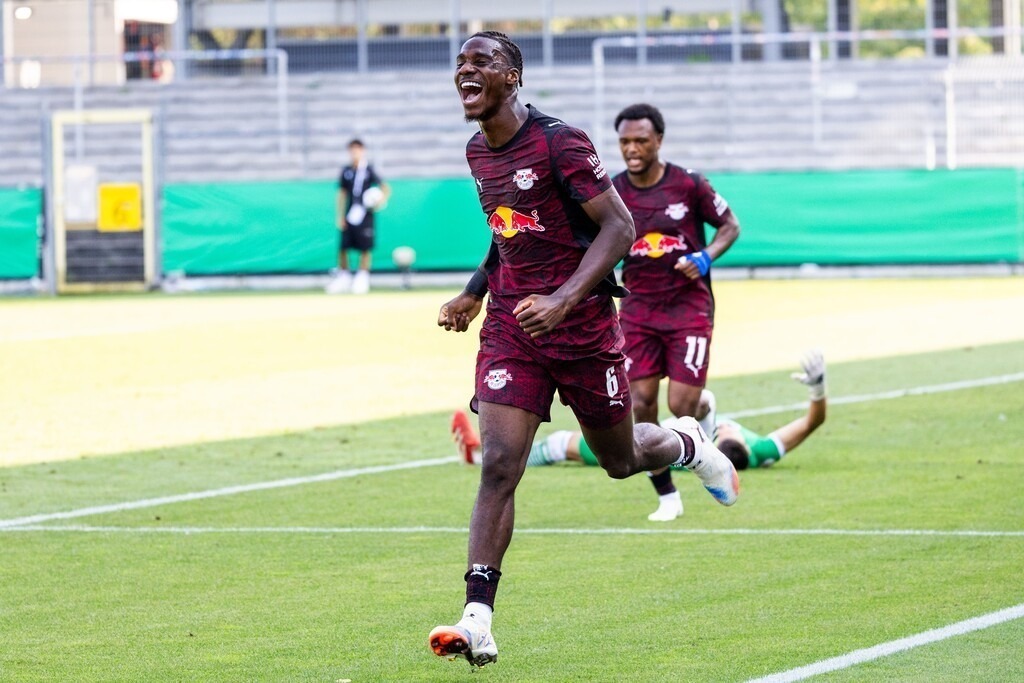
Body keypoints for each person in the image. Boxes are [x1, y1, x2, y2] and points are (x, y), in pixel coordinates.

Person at [430, 31, 739, 669]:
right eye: (460, 62)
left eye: (481, 61)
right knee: (499, 464)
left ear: (512, 76)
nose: (465, 70)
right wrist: (472, 294)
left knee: (621, 461)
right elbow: (507, 236)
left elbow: (620, 227)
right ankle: (477, 619)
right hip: (514, 328)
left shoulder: (560, 142)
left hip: (583, 328)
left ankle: (686, 444)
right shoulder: (476, 151)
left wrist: (565, 299)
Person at [612, 103, 741, 522]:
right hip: (637, 308)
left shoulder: (689, 184)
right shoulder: (611, 191)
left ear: (659, 141)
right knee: (641, 402)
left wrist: (705, 257)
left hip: (688, 308)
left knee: (681, 405)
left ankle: (703, 409)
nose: (632, 149)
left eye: (641, 141)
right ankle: (667, 495)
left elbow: (730, 226)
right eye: (625, 142)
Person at [452, 350, 828, 481]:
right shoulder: (756, 448)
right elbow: (811, 422)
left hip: (645, 442)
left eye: (721, 435)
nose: (728, 432)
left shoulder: (742, 448)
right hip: (658, 428)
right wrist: (817, 389)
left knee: (560, 445)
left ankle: (478, 456)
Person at [326, 139, 390, 295]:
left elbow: (385, 188)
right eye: (352, 150)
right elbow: (342, 193)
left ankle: (362, 277)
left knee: (365, 248)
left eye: (358, 149)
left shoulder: (369, 169)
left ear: (363, 151)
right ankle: (344, 276)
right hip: (350, 213)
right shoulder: (346, 170)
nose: (355, 153)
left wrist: (380, 202)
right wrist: (340, 215)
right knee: (343, 247)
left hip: (366, 214)